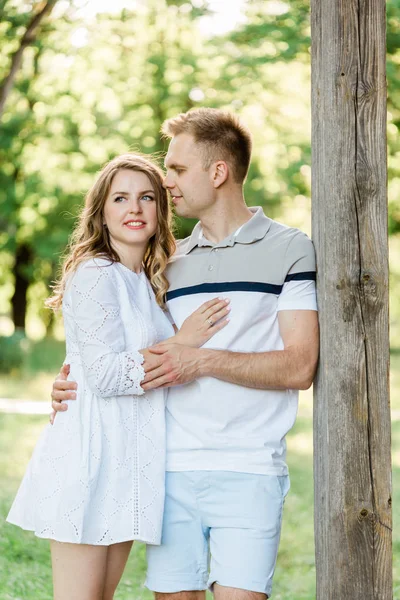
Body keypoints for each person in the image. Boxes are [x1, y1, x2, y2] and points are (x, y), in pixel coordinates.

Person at [51, 108, 320, 600]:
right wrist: (71, 382)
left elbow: (301, 366)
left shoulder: (290, 249)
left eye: (174, 171)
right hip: (166, 468)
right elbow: (114, 344)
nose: (168, 183)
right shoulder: (167, 265)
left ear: (217, 172)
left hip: (251, 467)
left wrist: (201, 359)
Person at [6, 152, 230, 600]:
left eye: (147, 197)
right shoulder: (94, 274)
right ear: (102, 213)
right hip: (91, 455)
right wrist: (182, 343)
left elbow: (101, 363)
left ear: (160, 210)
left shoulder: (150, 282)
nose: (135, 208)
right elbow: (107, 375)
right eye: (121, 198)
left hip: (130, 460)